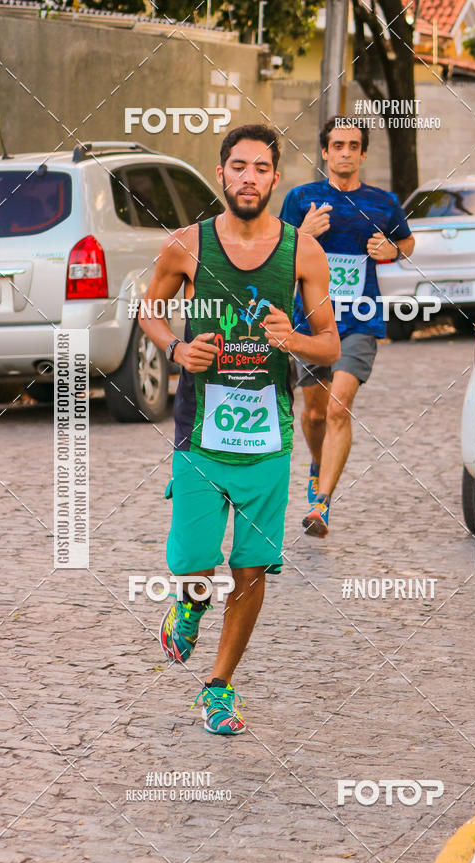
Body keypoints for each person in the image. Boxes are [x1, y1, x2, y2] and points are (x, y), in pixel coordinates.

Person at [138, 124, 339, 736]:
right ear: (222, 174)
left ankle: (219, 687)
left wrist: (293, 339)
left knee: (251, 571)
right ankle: (190, 603)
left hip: (268, 441)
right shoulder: (186, 246)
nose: (249, 177)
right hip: (201, 437)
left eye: (261, 168)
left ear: (276, 179)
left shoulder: (302, 251)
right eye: (238, 166)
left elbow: (329, 343)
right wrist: (177, 349)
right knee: (195, 564)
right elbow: (149, 308)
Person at [279, 116, 415, 537]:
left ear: (363, 153)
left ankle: (321, 504)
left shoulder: (383, 202)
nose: (345, 152)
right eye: (337, 145)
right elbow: (278, 250)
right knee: (314, 414)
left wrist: (392, 248)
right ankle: (318, 465)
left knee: (338, 407)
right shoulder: (301, 198)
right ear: (324, 152)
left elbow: (406, 243)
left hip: (359, 320)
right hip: (310, 323)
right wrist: (302, 233)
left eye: (353, 145)